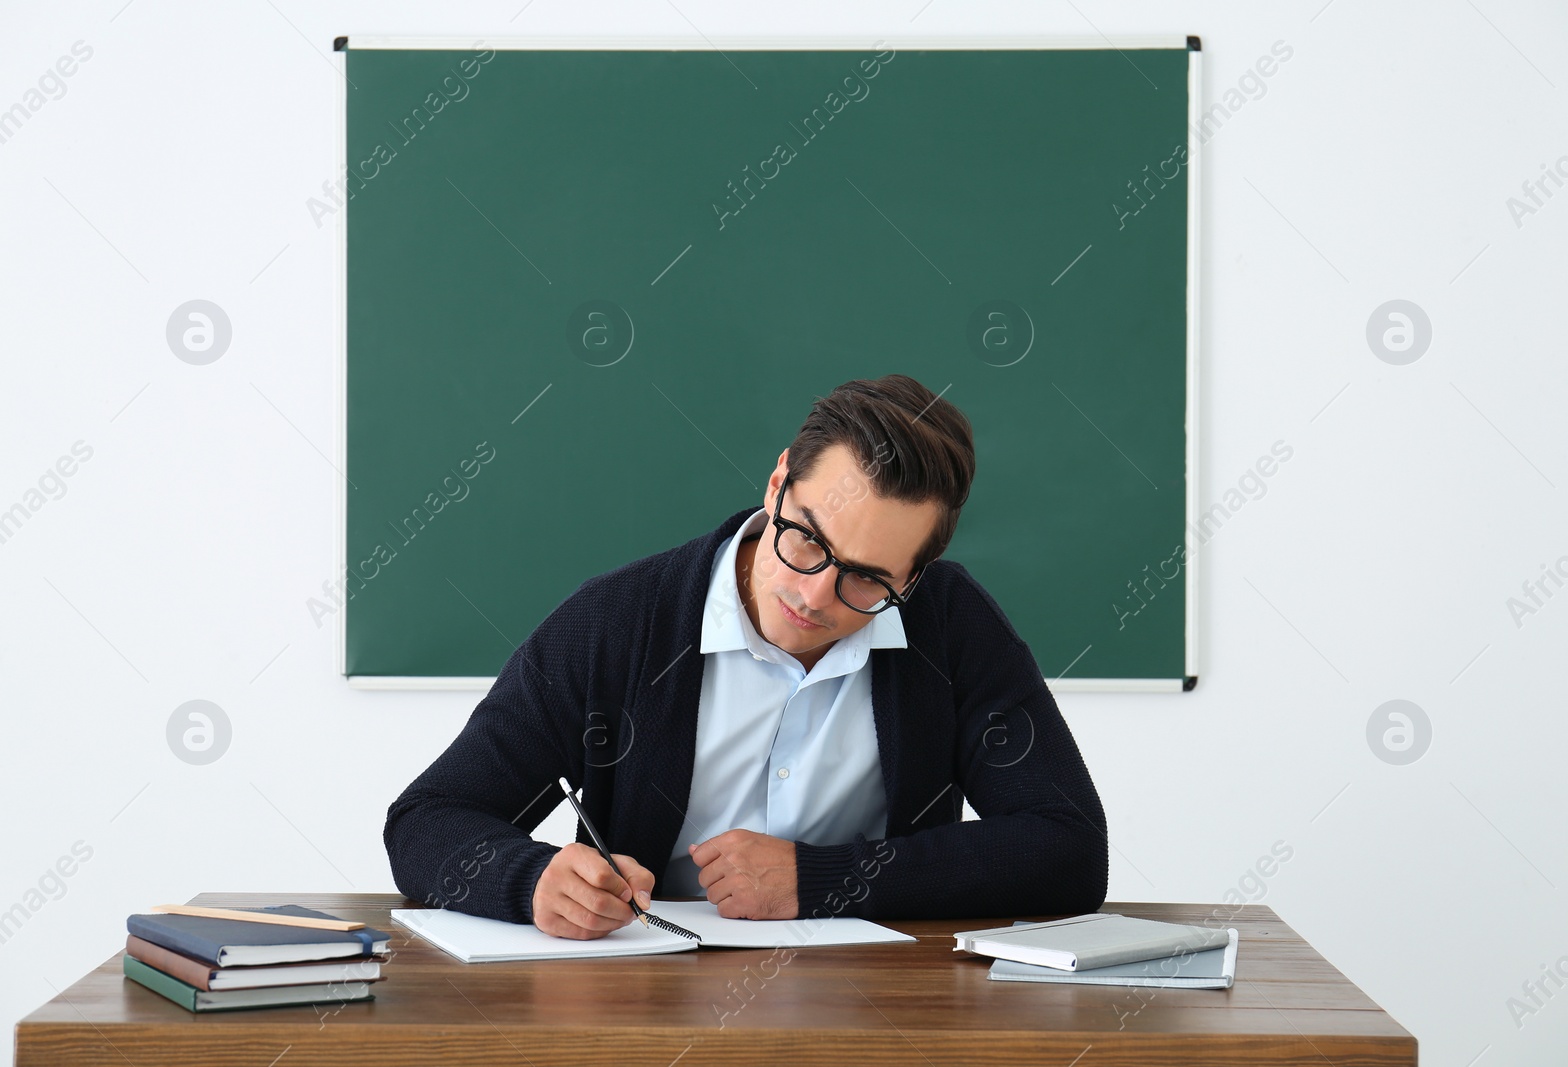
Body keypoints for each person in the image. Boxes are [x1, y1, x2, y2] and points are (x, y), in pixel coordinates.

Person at [384, 374, 1107, 940]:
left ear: (912, 577)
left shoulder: (950, 626)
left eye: (867, 578)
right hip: (643, 1008)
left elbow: (1068, 848)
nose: (817, 593)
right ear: (778, 482)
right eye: (808, 540)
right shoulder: (616, 622)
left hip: (878, 1016)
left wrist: (822, 879)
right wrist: (532, 879)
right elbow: (426, 819)